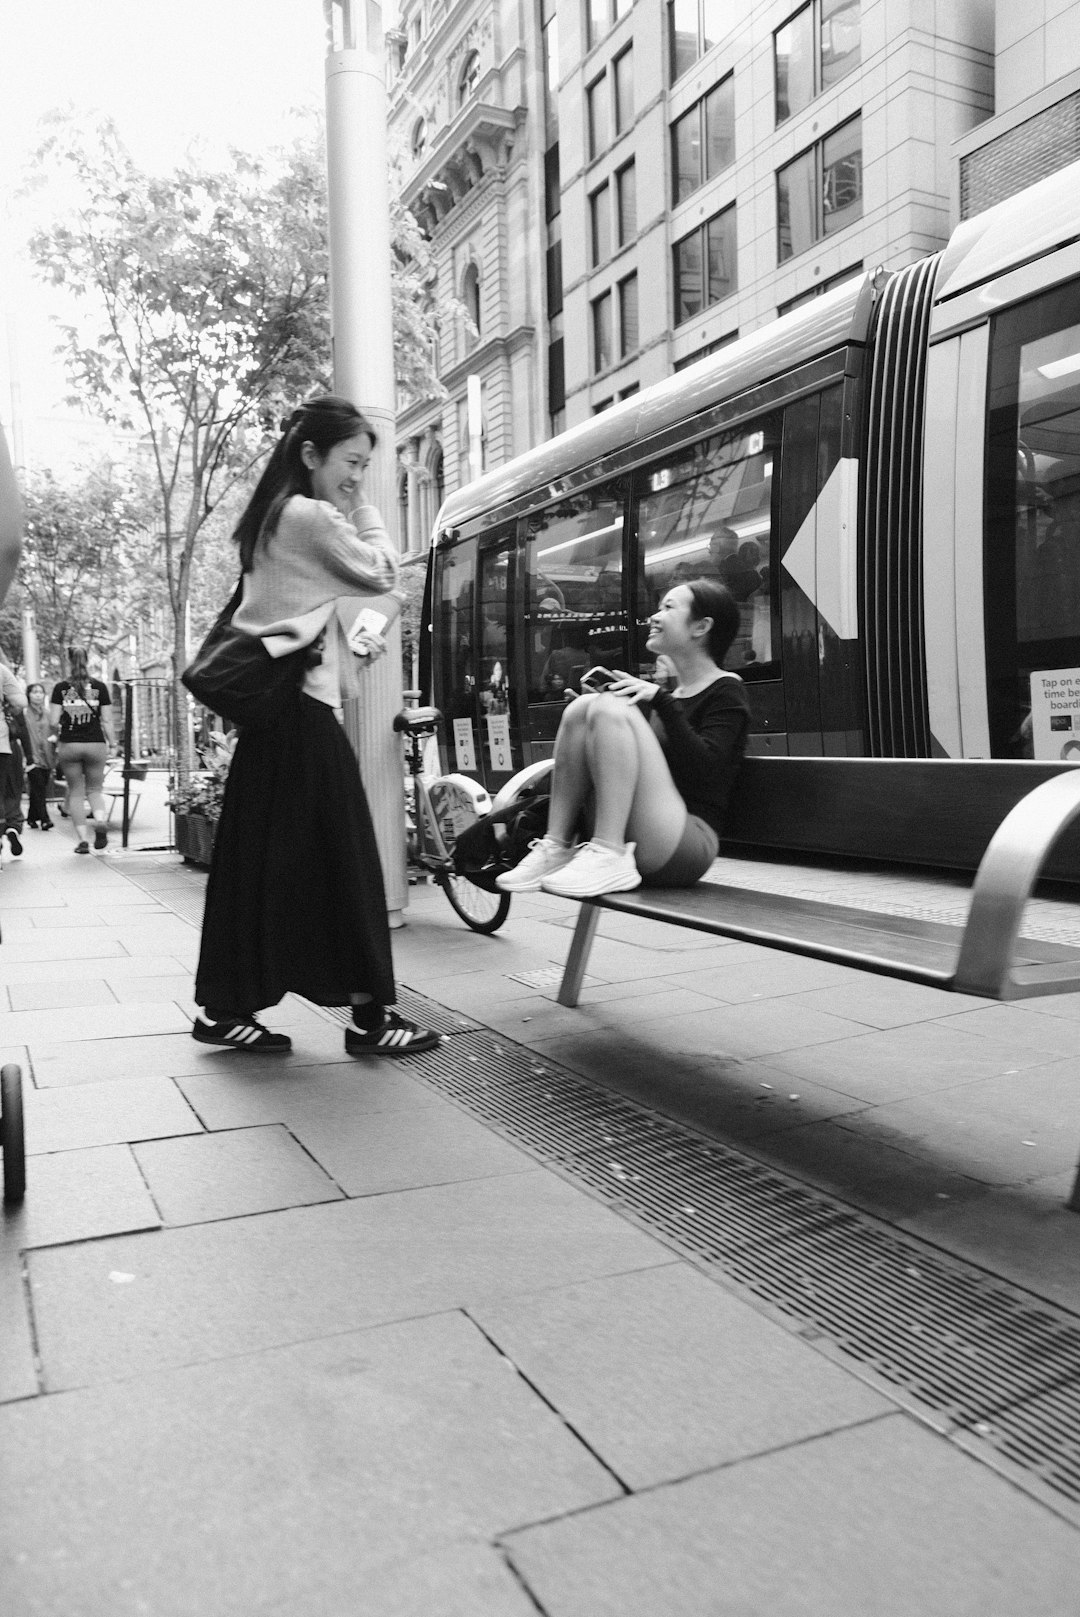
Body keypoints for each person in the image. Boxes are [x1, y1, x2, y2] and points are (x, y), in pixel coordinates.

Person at [192, 393, 438, 1058]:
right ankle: (371, 1018)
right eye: (351, 461)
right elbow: (385, 569)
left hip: (277, 721)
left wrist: (351, 647)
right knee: (347, 861)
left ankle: (226, 1007)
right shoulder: (307, 515)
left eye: (364, 466)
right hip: (301, 719)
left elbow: (297, 615)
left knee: (258, 866)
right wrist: (363, 510)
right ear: (311, 454)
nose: (357, 475)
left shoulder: (273, 517)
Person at [498, 578, 750, 898]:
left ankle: (608, 853)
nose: (654, 617)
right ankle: (557, 846)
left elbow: (707, 771)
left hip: (685, 844)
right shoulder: (672, 694)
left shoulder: (727, 689)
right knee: (583, 708)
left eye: (668, 608)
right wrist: (594, 723)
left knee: (606, 707)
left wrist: (660, 701)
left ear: (701, 627)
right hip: (649, 832)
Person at [50, 650, 116, 854]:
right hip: (96, 744)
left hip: (69, 745)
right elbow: (106, 720)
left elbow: (52, 721)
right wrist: (113, 743)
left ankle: (83, 842)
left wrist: (58, 733)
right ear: (87, 661)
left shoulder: (61, 688)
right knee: (95, 790)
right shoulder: (99, 687)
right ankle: (100, 820)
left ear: (69, 661)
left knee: (76, 793)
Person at [0, 657, 28, 861]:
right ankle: (12, 828)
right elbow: (20, 702)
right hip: (2, 745)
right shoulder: (2, 670)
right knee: (7, 791)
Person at [23, 682, 55, 830]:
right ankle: (45, 819)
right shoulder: (23, 713)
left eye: (40, 692)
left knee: (39, 788)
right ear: (28, 695)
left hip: (47, 756)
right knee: (39, 786)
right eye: (34, 692)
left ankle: (31, 817)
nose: (37, 695)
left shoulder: (48, 713)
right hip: (31, 756)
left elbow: (54, 730)